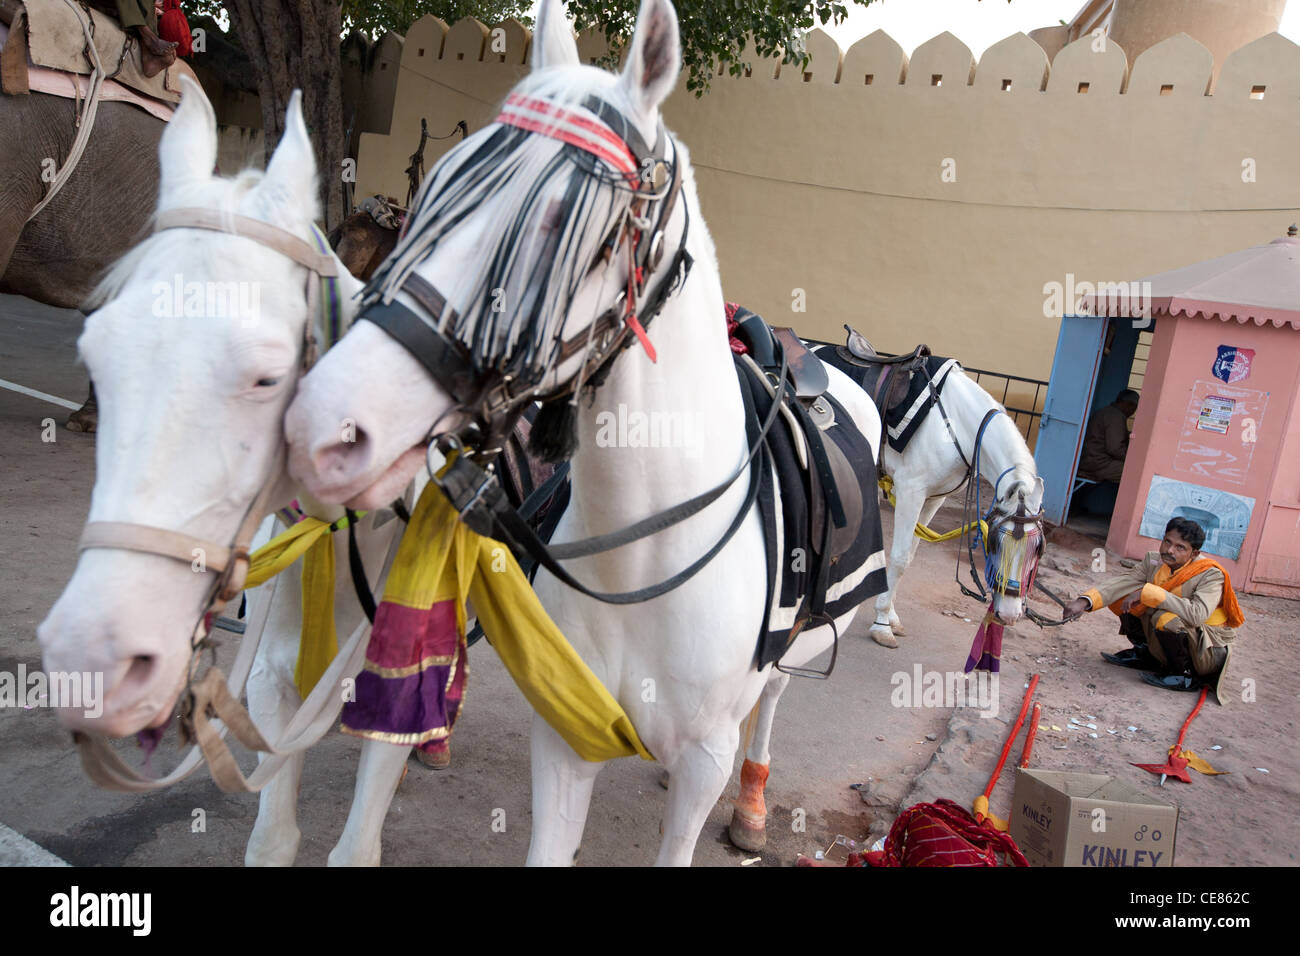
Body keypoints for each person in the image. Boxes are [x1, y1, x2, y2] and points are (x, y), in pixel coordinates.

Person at [1062, 517, 1243, 702]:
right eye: (1167, 542)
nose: (1169, 550)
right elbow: (1122, 583)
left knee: (1166, 617)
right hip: (1175, 633)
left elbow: (1197, 614)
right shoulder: (1154, 561)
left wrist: (1149, 593)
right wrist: (1084, 601)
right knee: (1121, 598)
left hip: (1206, 651)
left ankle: (1183, 675)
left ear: (1194, 553)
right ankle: (1147, 654)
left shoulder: (1211, 574)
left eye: (1180, 547)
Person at [1079, 389, 1139, 483]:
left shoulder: (1106, 412)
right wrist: (1132, 459)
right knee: (1136, 472)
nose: (1133, 411)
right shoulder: (1116, 417)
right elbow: (1115, 449)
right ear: (1127, 404)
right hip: (1098, 464)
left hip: (1090, 460)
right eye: (1134, 407)